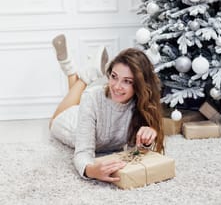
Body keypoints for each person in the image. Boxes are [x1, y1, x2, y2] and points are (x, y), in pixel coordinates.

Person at [50, 34, 164, 183]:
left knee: (81, 101)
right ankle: (81, 74)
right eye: (114, 76)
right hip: (70, 125)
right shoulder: (92, 98)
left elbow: (137, 150)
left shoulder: (141, 103)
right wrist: (91, 171)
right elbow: (82, 153)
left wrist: (148, 138)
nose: (116, 86)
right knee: (53, 121)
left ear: (139, 85)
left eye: (127, 81)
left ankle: (81, 72)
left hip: (87, 112)